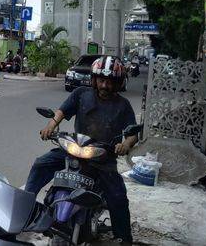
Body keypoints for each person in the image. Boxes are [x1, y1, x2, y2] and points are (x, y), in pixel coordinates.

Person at [24, 56, 138, 244]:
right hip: (76, 148)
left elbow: (132, 132)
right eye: (101, 80)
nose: (104, 85)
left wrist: (126, 144)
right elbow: (62, 112)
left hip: (103, 157)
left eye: (110, 82)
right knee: (41, 164)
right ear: (94, 80)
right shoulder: (81, 94)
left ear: (117, 84)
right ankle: (26, 207)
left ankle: (124, 238)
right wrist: (50, 126)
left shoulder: (123, 105)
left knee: (118, 197)